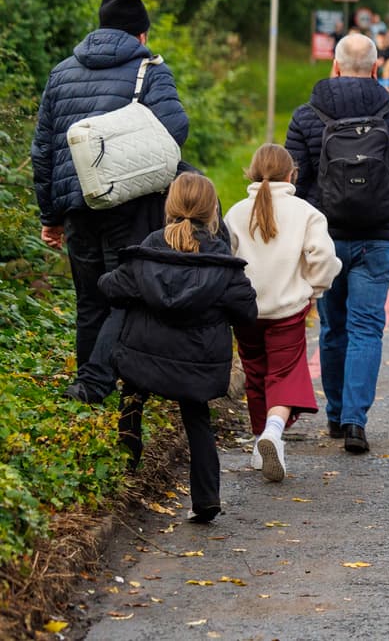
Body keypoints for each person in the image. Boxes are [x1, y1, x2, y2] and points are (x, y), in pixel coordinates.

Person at [35, 0, 188, 400]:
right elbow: (176, 131)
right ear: (142, 35)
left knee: (90, 299)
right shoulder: (149, 69)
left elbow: (44, 149)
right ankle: (99, 383)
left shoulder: (62, 71)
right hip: (130, 201)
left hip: (77, 204)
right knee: (129, 293)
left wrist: (50, 216)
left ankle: (87, 387)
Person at [286, 33, 389, 453]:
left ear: (334, 66)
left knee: (333, 327)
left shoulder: (307, 116)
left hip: (324, 239)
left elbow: (291, 178)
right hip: (377, 237)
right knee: (367, 327)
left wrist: (299, 234)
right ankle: (355, 422)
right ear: (375, 69)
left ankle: (333, 414)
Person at [98, 173, 257, 522]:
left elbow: (110, 287)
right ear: (212, 210)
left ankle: (125, 465)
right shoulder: (222, 261)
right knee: (197, 418)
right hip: (196, 363)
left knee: (132, 395)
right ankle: (206, 499)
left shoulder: (148, 249)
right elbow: (247, 312)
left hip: (144, 355)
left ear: (170, 205)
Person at [224, 144, 342, 483]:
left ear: (251, 171)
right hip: (288, 310)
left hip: (246, 310)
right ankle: (273, 433)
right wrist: (314, 289)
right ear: (292, 174)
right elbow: (321, 257)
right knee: (284, 375)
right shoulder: (306, 212)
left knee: (256, 375)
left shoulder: (235, 213)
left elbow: (226, 261)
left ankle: (259, 446)